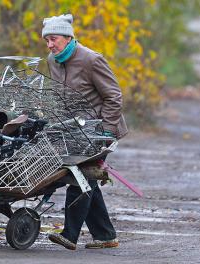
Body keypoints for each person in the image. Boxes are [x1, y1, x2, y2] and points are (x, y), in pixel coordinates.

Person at [42, 14, 128, 250]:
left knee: (81, 177)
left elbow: (113, 96)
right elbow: (58, 97)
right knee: (89, 178)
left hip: (99, 131)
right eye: (47, 40)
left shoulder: (91, 59)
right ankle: (106, 235)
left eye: (54, 39)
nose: (50, 45)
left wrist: (107, 132)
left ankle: (69, 235)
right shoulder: (53, 59)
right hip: (74, 130)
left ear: (68, 37)